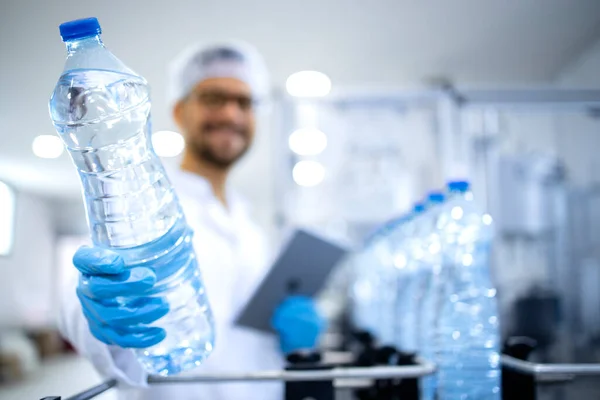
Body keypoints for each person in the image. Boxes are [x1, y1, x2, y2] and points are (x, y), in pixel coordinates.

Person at [58, 41, 324, 400]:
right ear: (180, 112)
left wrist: (289, 334)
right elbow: (77, 297)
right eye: (214, 98)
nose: (231, 115)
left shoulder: (250, 224)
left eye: (244, 102)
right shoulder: (140, 199)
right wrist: (98, 318)